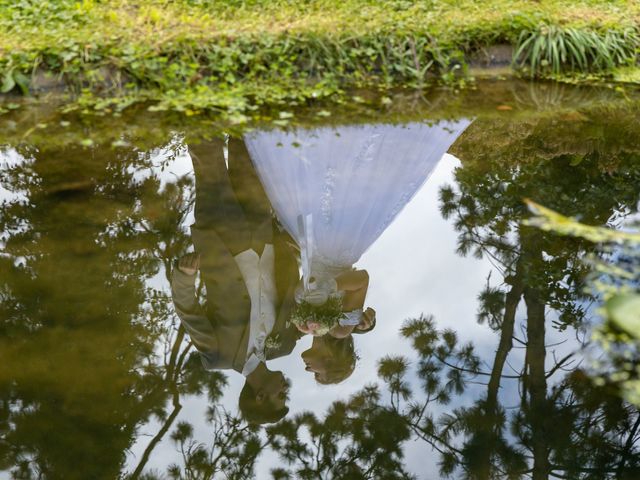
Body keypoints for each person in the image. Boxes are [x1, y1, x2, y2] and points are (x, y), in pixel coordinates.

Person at [244, 120, 471, 334]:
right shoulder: (344, 327)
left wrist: (304, 319)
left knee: (311, 188)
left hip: (309, 246)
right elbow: (362, 279)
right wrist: (331, 286)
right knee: (343, 193)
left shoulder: (303, 323)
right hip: (339, 247)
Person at [171, 137, 301, 424]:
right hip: (262, 233)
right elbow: (312, 315)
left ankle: (198, 100)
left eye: (281, 396)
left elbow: (189, 313)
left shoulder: (218, 357)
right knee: (247, 152)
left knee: (208, 159)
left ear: (260, 397)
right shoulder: (286, 344)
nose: (285, 390)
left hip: (221, 236)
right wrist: (362, 324)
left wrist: (185, 277)